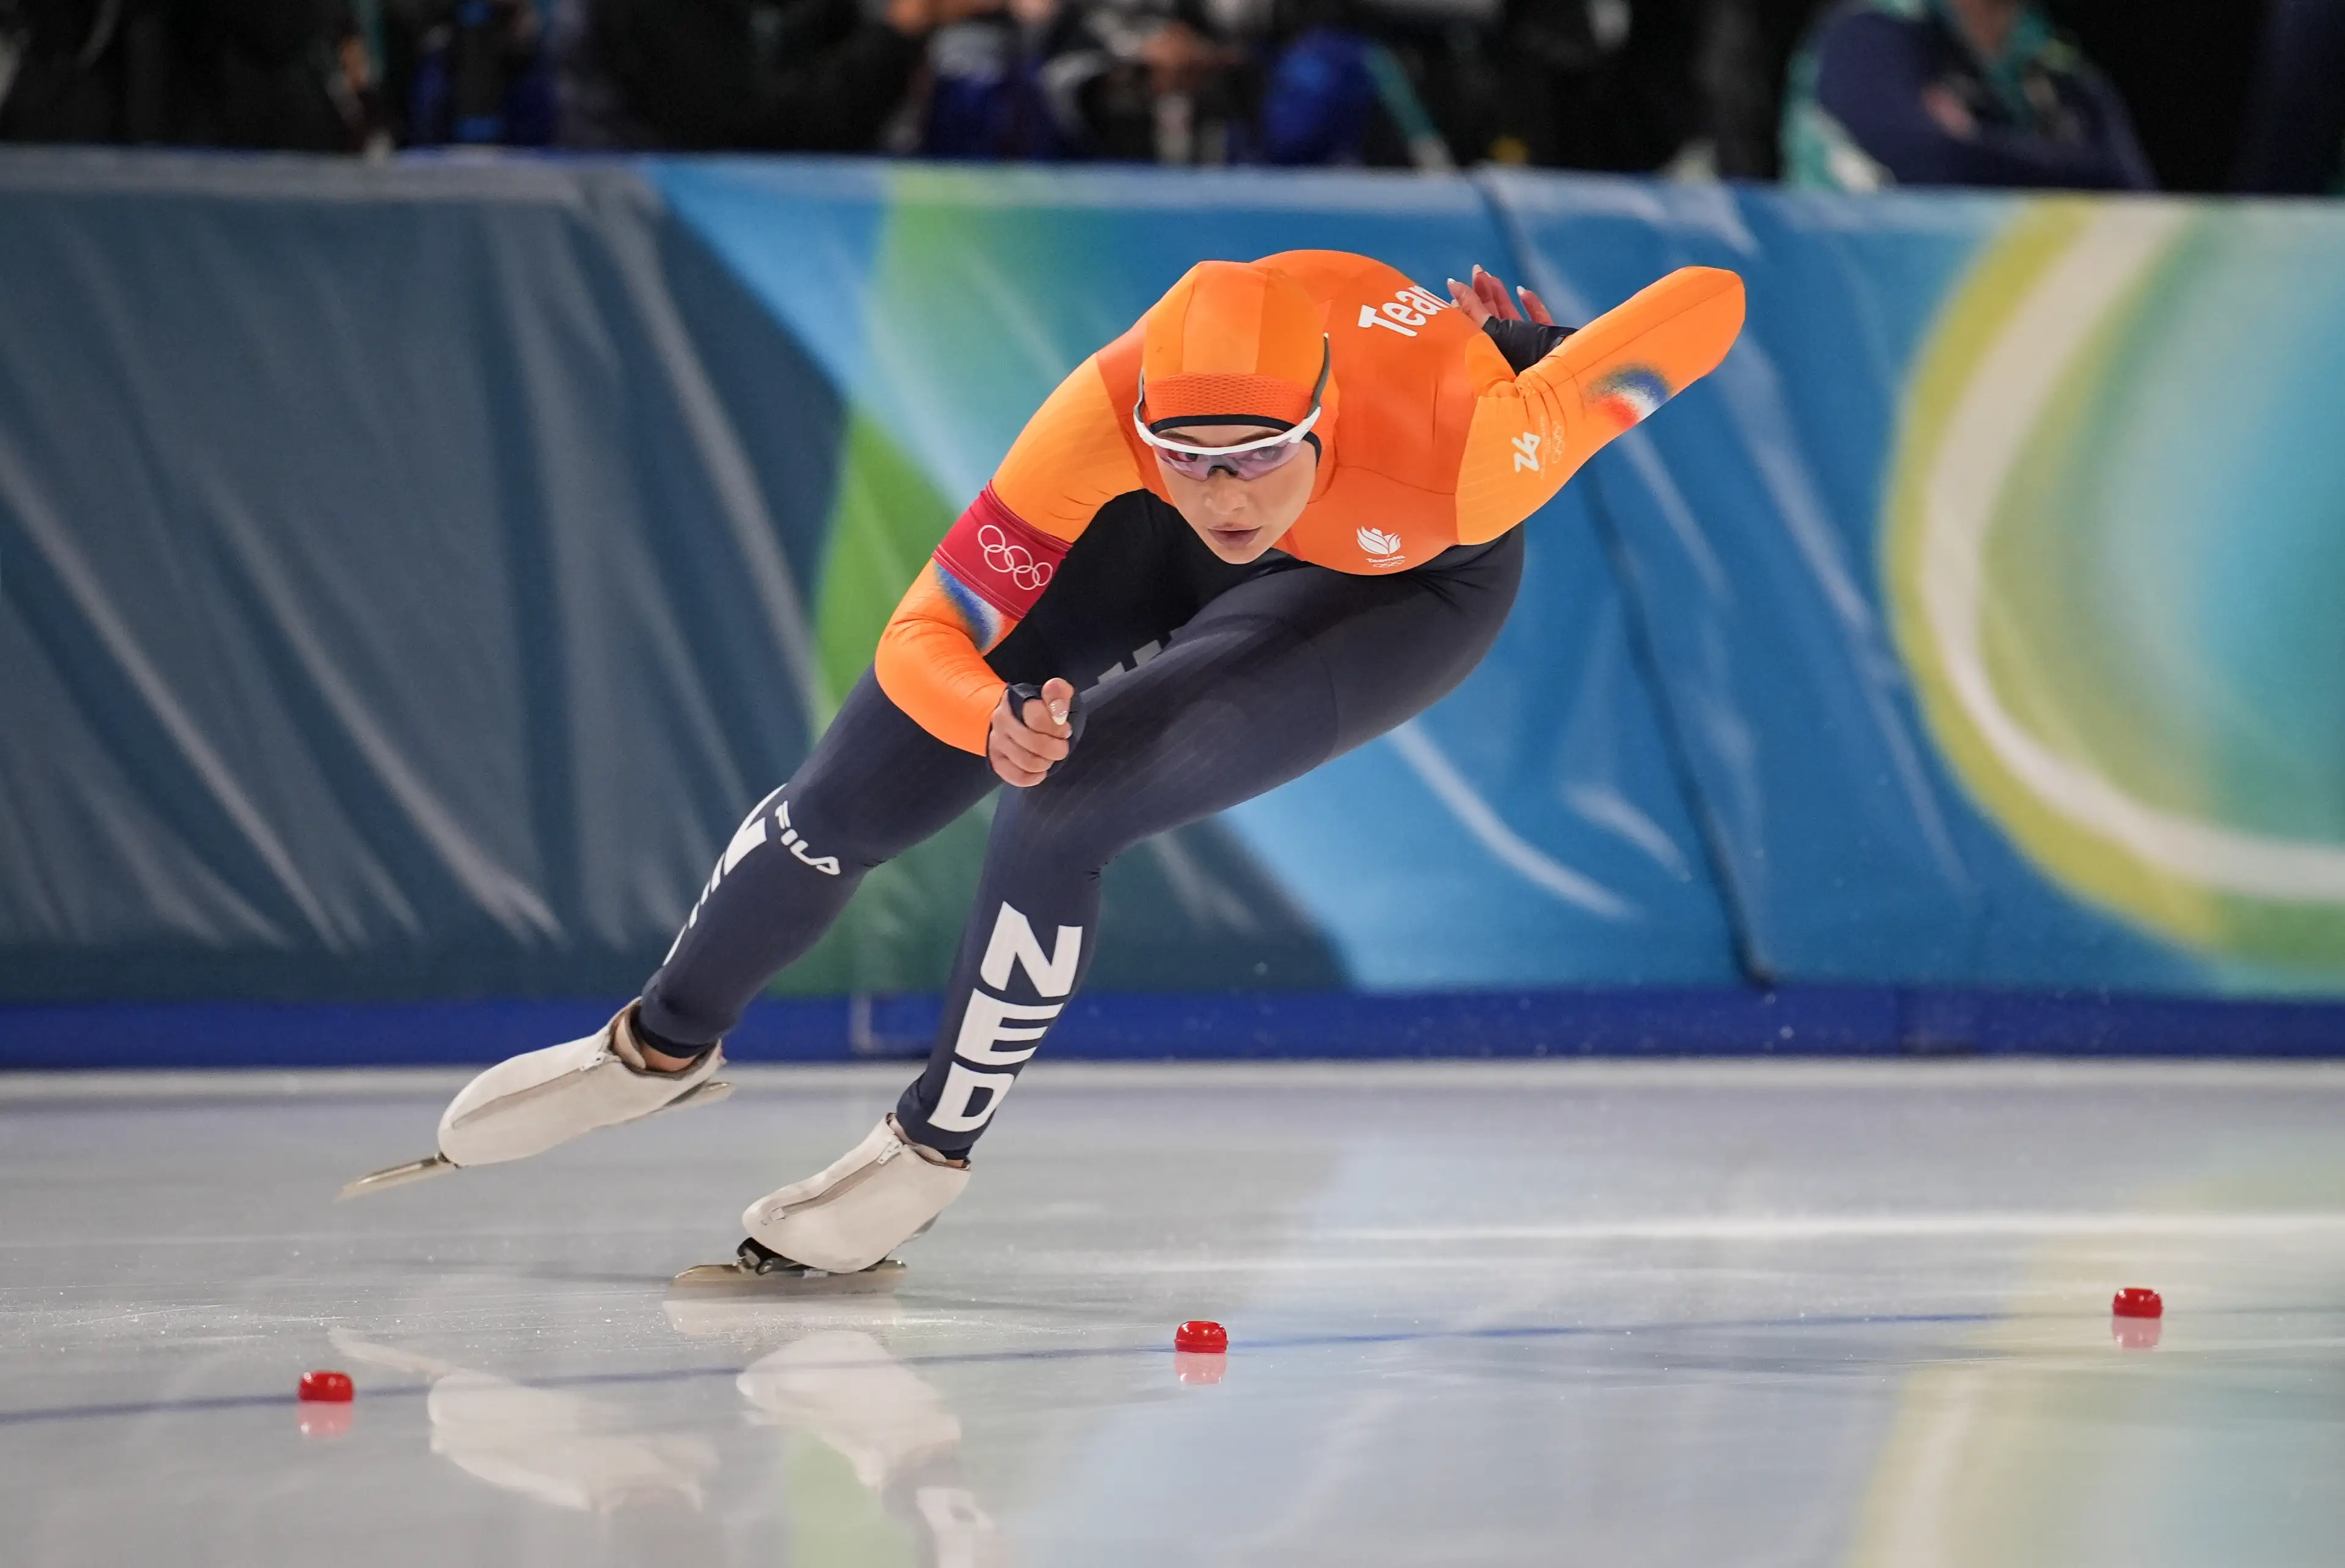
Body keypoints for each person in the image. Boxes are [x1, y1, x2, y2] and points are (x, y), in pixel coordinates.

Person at [381, 252, 1745, 1279]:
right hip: (1151, 531)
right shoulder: (1099, 413)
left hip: (1393, 580)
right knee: (843, 799)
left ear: (1318, 425)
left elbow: (1709, 299)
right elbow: (928, 629)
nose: (1225, 498)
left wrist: (1547, 356)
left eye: (1257, 460)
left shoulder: (1477, 451)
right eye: (1186, 459)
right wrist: (981, 710)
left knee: (1064, 808)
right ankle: (656, 1044)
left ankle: (926, 1154)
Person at [1781, 0, 2153, 192]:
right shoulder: (1869, 34)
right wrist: (2078, 171)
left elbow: (2134, 200)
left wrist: (1974, 144)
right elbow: (1935, 165)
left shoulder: (2062, 71)